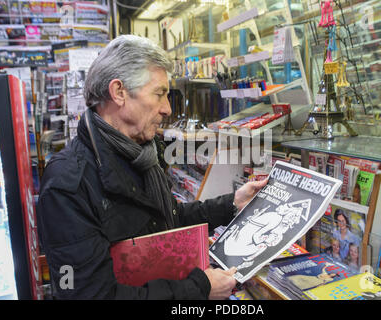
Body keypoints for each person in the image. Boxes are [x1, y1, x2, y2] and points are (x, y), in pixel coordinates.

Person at [36, 35, 268, 300]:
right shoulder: (67, 184)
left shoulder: (142, 153)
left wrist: (232, 204)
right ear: (119, 92)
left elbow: (166, 221)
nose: (167, 109)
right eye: (159, 94)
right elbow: (87, 296)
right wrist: (200, 288)